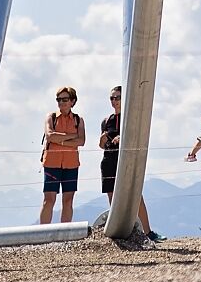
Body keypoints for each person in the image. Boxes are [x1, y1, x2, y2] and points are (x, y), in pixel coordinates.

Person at [98, 85, 160, 239]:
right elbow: (101, 146)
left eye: (117, 97)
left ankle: (147, 232)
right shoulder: (106, 121)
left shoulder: (130, 118)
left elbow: (136, 138)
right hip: (109, 160)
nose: (114, 101)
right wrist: (102, 139)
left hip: (126, 161)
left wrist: (123, 139)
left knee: (136, 196)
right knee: (113, 198)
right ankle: (119, 233)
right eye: (112, 98)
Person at [38, 86, 84, 224]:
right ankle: (42, 234)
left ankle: (64, 234)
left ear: (73, 101)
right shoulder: (51, 117)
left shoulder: (78, 120)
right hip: (52, 163)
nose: (61, 103)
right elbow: (50, 136)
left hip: (71, 165)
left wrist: (61, 140)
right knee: (49, 200)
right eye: (58, 99)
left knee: (68, 200)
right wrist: (71, 137)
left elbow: (81, 141)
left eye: (65, 99)